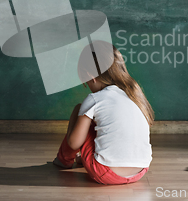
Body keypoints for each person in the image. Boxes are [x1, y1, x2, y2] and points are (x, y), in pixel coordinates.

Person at [53, 40, 154, 185]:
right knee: (103, 122)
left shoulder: (94, 99)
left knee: (79, 111)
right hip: (140, 170)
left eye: (85, 81)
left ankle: (64, 160)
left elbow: (74, 142)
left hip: (105, 172)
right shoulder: (135, 95)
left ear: (91, 76)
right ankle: (93, 156)